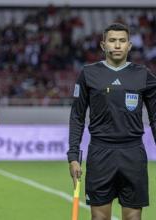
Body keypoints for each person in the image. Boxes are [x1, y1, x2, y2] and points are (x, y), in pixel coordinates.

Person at [68, 23, 156, 220]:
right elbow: (77, 117)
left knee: (133, 218)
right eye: (112, 41)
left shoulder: (143, 75)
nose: (117, 45)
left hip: (133, 154)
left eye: (122, 41)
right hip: (100, 153)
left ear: (129, 46)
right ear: (103, 45)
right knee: (99, 218)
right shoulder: (88, 74)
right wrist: (73, 156)